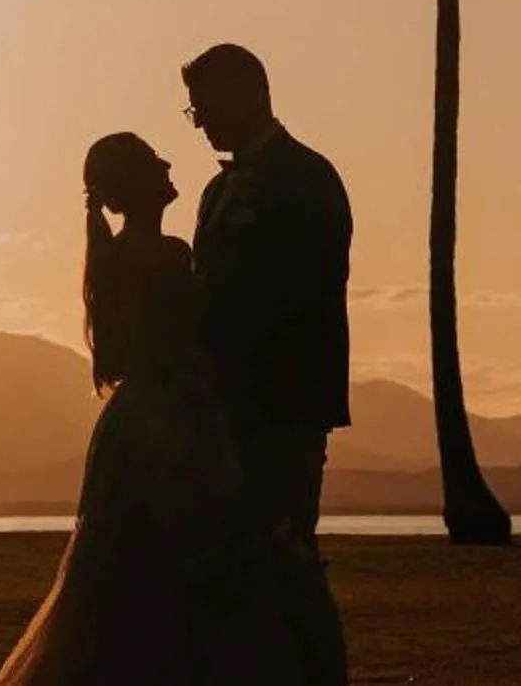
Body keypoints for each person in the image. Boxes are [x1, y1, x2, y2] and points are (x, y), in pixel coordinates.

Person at [0, 132, 304, 685]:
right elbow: (190, 338)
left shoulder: (123, 256)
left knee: (120, 574)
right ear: (137, 184)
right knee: (175, 565)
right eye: (154, 160)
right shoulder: (163, 255)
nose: (167, 164)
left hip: (137, 421)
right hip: (172, 416)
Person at [186, 42, 352, 685]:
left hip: (283, 406)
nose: (202, 123)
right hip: (222, 412)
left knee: (286, 556)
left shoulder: (308, 178)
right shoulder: (215, 191)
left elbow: (307, 289)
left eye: (209, 106)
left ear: (253, 91)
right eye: (194, 112)